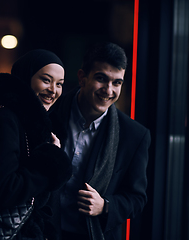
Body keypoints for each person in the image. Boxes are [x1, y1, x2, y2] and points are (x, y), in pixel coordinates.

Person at [0, 49, 71, 240]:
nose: (53, 90)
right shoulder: (6, 120)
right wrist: (50, 162)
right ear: (26, 78)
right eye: (46, 80)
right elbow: (3, 190)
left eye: (60, 84)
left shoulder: (32, 124)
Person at [49, 42, 151, 240]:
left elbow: (137, 198)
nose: (108, 90)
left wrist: (106, 206)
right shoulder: (51, 112)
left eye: (117, 82)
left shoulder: (134, 135)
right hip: (43, 231)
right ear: (82, 78)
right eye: (101, 79)